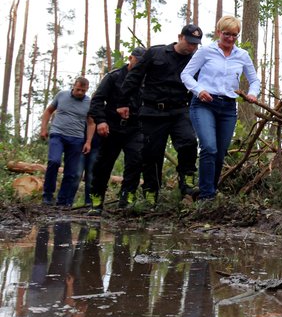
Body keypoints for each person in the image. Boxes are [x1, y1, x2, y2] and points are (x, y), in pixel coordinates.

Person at [118, 25, 202, 203]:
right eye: (189, 42)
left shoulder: (195, 60)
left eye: (196, 44)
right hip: (153, 112)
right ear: (180, 37)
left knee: (188, 142)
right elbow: (135, 77)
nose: (192, 47)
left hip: (179, 110)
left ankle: (187, 182)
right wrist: (123, 102)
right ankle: (150, 193)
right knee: (151, 154)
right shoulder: (156, 53)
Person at [180, 16, 260, 200]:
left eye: (234, 35)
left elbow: (254, 80)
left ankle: (211, 190)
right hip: (204, 104)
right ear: (218, 32)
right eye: (226, 34)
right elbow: (186, 75)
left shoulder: (242, 56)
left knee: (220, 151)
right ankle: (207, 197)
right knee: (209, 147)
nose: (230, 39)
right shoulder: (206, 52)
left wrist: (253, 93)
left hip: (228, 107)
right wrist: (199, 90)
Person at [85, 46, 147, 212]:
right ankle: (96, 200)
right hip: (111, 127)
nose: (140, 65)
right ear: (130, 58)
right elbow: (97, 101)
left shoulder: (146, 80)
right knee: (103, 164)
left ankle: (127, 200)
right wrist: (101, 121)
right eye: (138, 61)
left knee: (135, 161)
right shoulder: (113, 77)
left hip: (135, 128)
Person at [40, 77, 91, 207]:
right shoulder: (61, 95)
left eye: (83, 91)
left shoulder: (88, 102)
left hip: (76, 138)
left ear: (87, 90)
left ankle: (62, 201)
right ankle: (47, 195)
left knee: (71, 171)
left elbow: (91, 123)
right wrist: (44, 128)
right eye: (78, 89)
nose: (80, 92)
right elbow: (48, 111)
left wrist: (88, 142)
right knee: (54, 161)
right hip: (58, 134)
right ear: (73, 86)